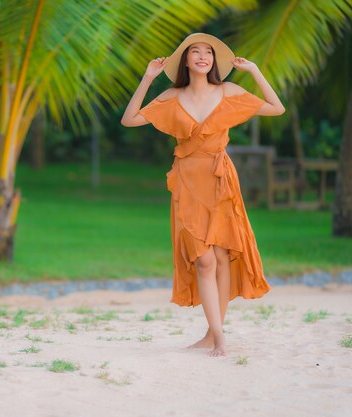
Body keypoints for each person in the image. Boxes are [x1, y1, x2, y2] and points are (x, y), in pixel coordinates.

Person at [121, 33, 285, 357]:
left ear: (213, 61)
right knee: (205, 261)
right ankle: (219, 338)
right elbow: (129, 119)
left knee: (223, 258)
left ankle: (214, 334)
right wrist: (147, 77)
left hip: (220, 180)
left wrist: (253, 71)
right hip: (188, 181)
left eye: (208, 52)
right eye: (194, 51)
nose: (202, 56)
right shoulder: (171, 96)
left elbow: (276, 108)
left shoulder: (228, 92)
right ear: (185, 60)